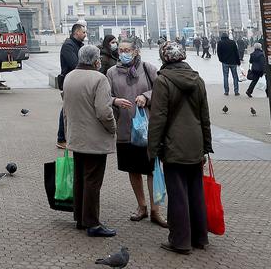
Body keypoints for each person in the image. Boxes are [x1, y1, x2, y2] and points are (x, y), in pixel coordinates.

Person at [146, 41, 212, 256]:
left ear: (164, 58)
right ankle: (200, 237)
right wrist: (206, 146)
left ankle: (180, 240)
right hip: (195, 142)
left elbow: (158, 118)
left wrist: (152, 149)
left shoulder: (162, 81)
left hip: (173, 143)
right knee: (196, 191)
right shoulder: (198, 79)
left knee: (178, 194)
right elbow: (205, 116)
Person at [105, 39, 164, 228]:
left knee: (151, 170)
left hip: (147, 129)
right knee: (133, 169)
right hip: (125, 129)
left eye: (127, 50)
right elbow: (105, 96)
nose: (123, 52)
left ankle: (156, 210)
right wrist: (115, 101)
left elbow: (162, 91)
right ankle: (142, 206)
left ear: (136, 51)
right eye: (121, 50)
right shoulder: (112, 72)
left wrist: (146, 97)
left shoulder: (148, 68)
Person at [62, 43, 117, 237]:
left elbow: (66, 109)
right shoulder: (99, 79)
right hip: (95, 140)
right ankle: (92, 223)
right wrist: (113, 128)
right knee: (93, 181)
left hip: (76, 137)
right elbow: (103, 111)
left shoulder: (69, 77)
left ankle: (80, 217)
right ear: (95, 60)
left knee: (80, 178)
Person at [57, 23, 86, 149]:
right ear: (76, 33)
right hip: (70, 81)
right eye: (83, 32)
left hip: (77, 80)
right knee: (66, 109)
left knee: (74, 109)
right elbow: (75, 64)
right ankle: (61, 138)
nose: (85, 34)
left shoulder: (78, 45)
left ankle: (73, 136)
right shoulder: (68, 46)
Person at [215, 32, 241, 96]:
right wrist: (238, 61)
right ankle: (236, 91)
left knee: (225, 77)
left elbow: (218, 52)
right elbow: (236, 52)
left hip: (225, 62)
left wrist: (221, 60)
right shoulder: (232, 42)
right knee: (235, 77)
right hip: (233, 62)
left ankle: (226, 91)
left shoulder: (220, 43)